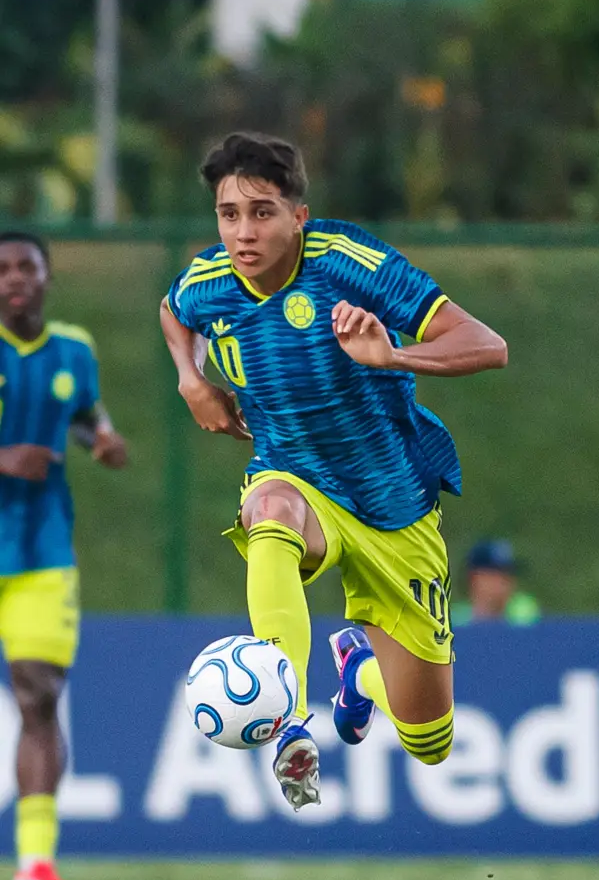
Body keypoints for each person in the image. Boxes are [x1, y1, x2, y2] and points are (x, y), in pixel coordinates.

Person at [159, 133, 507, 812]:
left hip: (394, 503)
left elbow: (486, 345)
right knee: (270, 515)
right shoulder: (208, 284)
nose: (242, 231)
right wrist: (190, 380)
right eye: (228, 214)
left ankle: (359, 672)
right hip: (294, 476)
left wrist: (392, 358)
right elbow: (173, 313)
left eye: (262, 212)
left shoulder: (349, 264)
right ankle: (288, 719)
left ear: (299, 216)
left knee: (429, 738)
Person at [0, 231, 127, 880]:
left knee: (38, 698)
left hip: (43, 549)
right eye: (2, 269)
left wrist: (99, 439)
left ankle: (35, 867)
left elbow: (82, 412)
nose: (14, 278)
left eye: (27, 266)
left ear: (47, 277)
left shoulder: (74, 348)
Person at [451, 538, 540, 626]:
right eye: (498, 574)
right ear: (475, 578)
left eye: (510, 573)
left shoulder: (525, 612)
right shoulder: (455, 620)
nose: (506, 581)